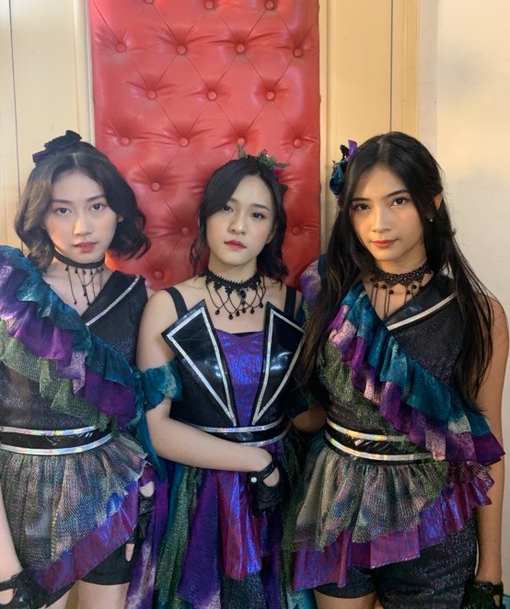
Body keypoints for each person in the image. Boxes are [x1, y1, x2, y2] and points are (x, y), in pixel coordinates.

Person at [290, 132, 507, 609]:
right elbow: (315, 407)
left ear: (432, 203)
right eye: (362, 206)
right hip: (336, 504)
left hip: (432, 521)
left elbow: (487, 443)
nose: (379, 223)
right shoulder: (325, 288)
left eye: (398, 201)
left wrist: (490, 570)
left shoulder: (478, 314)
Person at [137, 152, 324, 609]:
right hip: (200, 495)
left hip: (281, 493)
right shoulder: (168, 306)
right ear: (205, 217)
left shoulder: (295, 305)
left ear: (272, 230)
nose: (238, 226)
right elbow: (155, 429)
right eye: (227, 208)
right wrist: (254, 461)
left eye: (257, 215)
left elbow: (300, 413)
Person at [0, 131, 160, 609]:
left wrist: (139, 494)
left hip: (107, 492)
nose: (81, 227)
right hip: (21, 496)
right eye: (61, 209)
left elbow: (138, 414)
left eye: (96, 206)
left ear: (118, 211)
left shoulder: (139, 297)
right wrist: (4, 571)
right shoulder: (10, 291)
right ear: (39, 215)